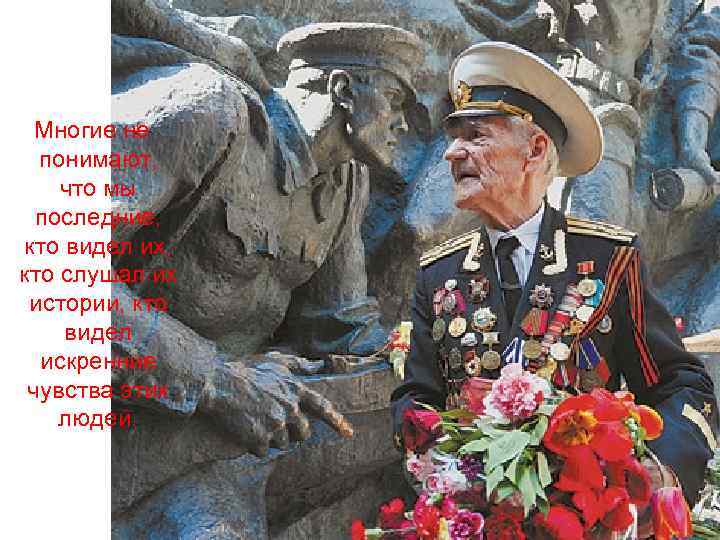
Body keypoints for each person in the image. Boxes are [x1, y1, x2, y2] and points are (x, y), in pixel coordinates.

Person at [390, 41, 719, 511]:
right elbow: (417, 396)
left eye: (475, 136)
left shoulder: (608, 259)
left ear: (535, 149)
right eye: (454, 136)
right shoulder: (438, 274)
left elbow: (679, 383)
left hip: (582, 516)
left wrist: (659, 472)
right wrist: (438, 459)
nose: (451, 153)